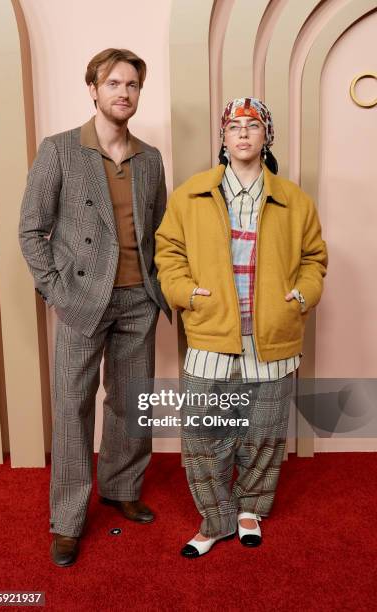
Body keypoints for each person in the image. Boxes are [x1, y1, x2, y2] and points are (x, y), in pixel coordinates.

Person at [155, 97, 327, 558]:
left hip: (272, 338)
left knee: (264, 434)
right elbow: (167, 252)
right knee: (203, 434)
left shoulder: (294, 200)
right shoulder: (192, 194)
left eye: (254, 125)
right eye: (234, 126)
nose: (244, 133)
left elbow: (314, 259)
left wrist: (301, 297)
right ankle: (216, 520)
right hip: (212, 334)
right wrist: (187, 294)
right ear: (224, 138)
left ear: (266, 136)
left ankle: (250, 510)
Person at [19, 48, 171, 567]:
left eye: (131, 85)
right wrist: (57, 291)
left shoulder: (149, 158)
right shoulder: (60, 150)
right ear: (93, 90)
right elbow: (31, 230)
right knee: (72, 408)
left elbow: (161, 232)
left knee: (130, 403)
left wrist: (160, 289)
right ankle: (67, 519)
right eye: (113, 84)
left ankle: (121, 487)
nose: (123, 93)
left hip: (137, 301)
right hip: (82, 300)